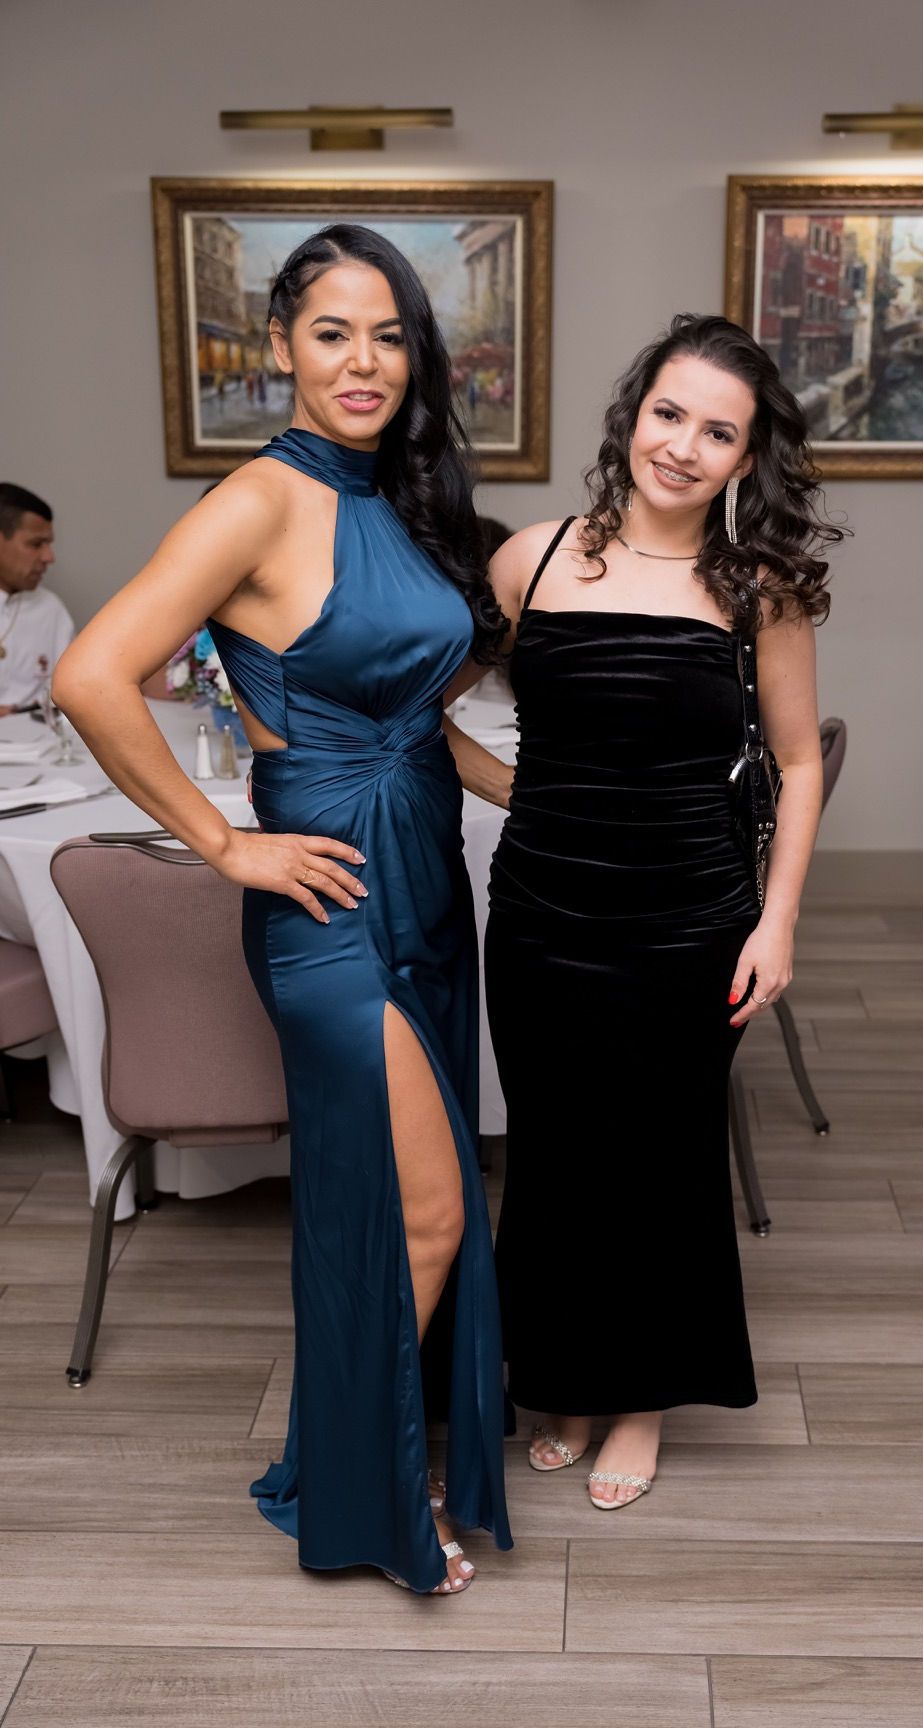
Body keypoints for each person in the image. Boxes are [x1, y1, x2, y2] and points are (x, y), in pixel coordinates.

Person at [53, 223, 512, 1595]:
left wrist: (529, 794)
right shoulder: (256, 498)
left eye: (389, 335)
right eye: (332, 333)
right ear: (281, 350)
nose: (364, 361)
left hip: (426, 866)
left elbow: (423, 711)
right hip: (327, 898)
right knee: (430, 1210)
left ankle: (360, 1454)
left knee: (390, 1198)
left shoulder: (405, 495)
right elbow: (93, 674)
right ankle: (367, 1494)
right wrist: (225, 844)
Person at [446, 313, 842, 1508]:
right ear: (634, 414)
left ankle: (642, 1404)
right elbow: (428, 707)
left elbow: (800, 763)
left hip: (690, 919)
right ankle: (561, 1377)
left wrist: (776, 925)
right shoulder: (531, 560)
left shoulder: (756, 590)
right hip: (543, 911)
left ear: (744, 459)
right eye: (670, 414)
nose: (683, 446)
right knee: (558, 1157)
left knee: (663, 1163)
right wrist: (528, 789)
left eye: (717, 432)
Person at [0, 483, 75, 714]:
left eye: (49, 544)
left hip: (40, 744)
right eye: (35, 544)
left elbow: (71, 693)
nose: (49, 557)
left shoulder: (50, 608)